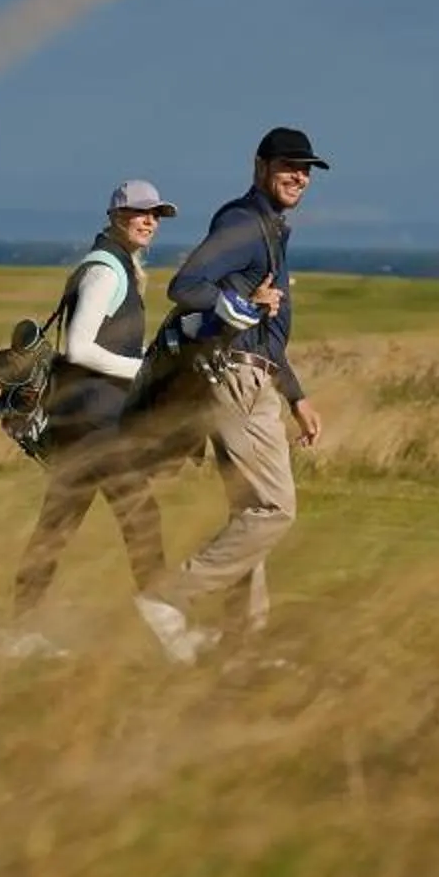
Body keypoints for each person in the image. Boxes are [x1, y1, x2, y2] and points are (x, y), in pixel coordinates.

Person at [126, 126, 329, 664]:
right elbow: (186, 285)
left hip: (249, 373)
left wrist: (295, 395)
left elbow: (266, 326)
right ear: (260, 165)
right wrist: (239, 299)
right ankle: (168, 600)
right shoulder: (243, 221)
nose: (299, 176)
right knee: (273, 510)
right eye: (289, 165)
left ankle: (243, 645)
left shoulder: (268, 226)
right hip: (235, 376)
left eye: (306, 169)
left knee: (249, 512)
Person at [1, 179, 179, 659]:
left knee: (57, 526)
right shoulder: (105, 270)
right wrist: (144, 368)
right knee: (141, 519)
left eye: (156, 215)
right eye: (140, 213)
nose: (149, 222)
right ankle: (168, 630)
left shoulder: (114, 264)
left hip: (79, 422)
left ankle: (20, 631)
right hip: (98, 425)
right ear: (115, 216)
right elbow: (77, 348)